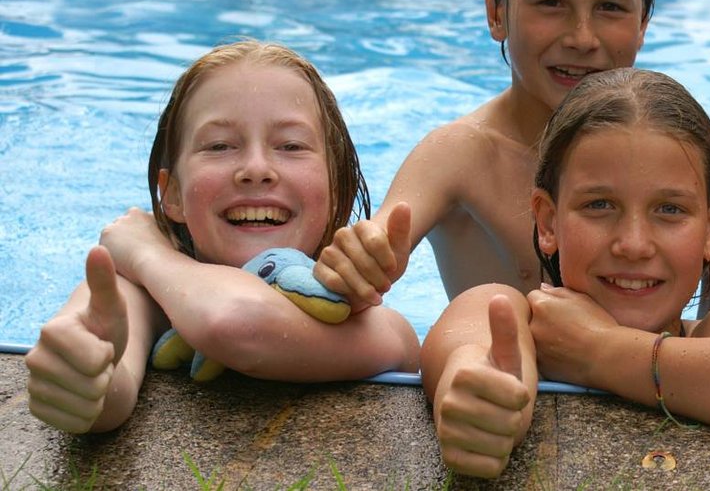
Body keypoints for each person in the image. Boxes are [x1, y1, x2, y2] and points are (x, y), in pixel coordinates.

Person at [423, 69, 710, 478]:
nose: (634, 244)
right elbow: (472, 354)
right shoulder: (507, 318)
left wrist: (601, 352)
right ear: (547, 222)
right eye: (599, 205)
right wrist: (480, 399)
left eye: (669, 209)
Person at [24, 40, 420, 433]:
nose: (256, 168)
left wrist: (148, 254)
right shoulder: (134, 295)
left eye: (291, 145)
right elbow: (109, 379)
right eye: (219, 146)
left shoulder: (377, 326)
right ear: (173, 195)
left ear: (338, 190)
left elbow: (234, 322)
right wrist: (87, 385)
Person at [313, 0, 653, 308]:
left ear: (643, 23)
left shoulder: (673, 148)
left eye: (610, 7)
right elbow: (386, 231)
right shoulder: (461, 155)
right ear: (496, 11)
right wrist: (364, 256)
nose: (582, 37)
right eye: (551, 3)